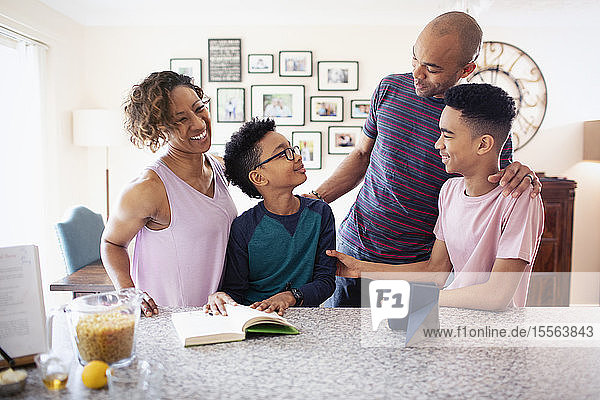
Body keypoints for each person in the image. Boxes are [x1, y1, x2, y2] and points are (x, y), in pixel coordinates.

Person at [307, 11, 542, 307]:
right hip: (354, 246)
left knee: (398, 350)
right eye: (415, 59)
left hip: (415, 267)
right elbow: (361, 154)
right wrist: (316, 198)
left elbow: (495, 181)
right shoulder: (390, 89)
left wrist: (524, 175)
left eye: (432, 68)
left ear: (466, 69)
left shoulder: (476, 119)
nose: (418, 73)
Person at [329, 83, 544, 310]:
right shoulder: (449, 191)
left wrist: (419, 300)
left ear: (483, 144)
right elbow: (435, 272)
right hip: (452, 324)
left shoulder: (520, 198)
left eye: (447, 136)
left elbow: (496, 295)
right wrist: (359, 269)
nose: (437, 144)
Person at [100, 71, 237, 316]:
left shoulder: (218, 166)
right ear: (160, 128)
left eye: (198, 108)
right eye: (181, 119)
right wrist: (128, 292)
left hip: (217, 316)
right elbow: (111, 243)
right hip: (168, 319)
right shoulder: (148, 188)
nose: (198, 123)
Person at [205, 118, 336, 316]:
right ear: (258, 177)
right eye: (284, 154)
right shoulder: (243, 228)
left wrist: (290, 297)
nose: (297, 157)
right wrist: (219, 296)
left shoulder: (321, 213)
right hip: (256, 317)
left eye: (293, 149)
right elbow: (235, 291)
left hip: (305, 318)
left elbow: (325, 282)